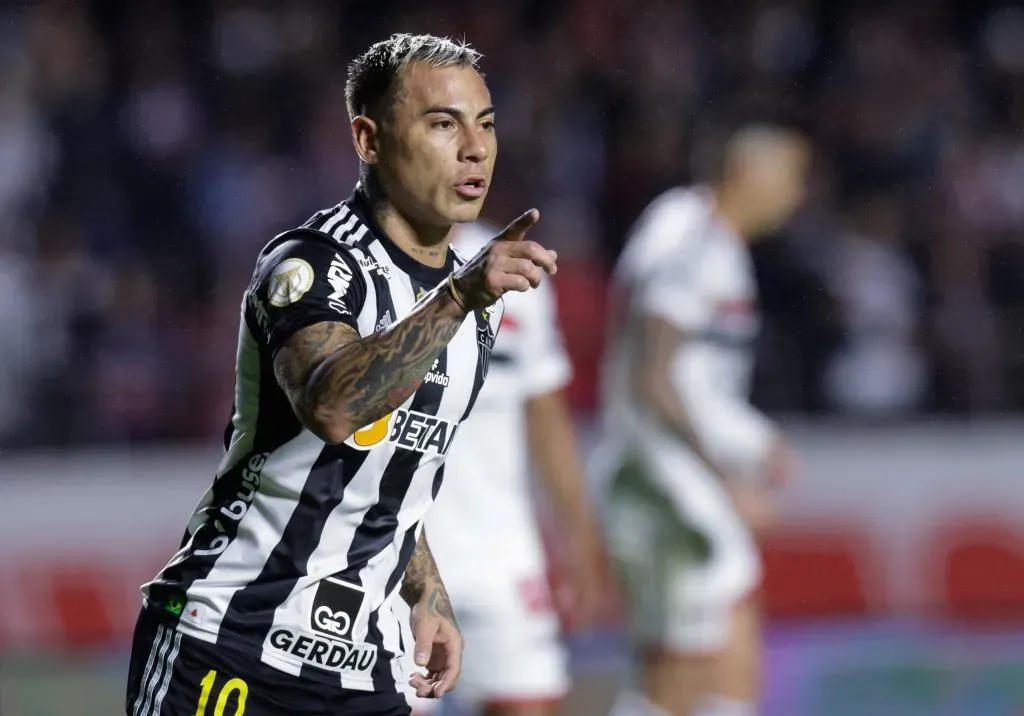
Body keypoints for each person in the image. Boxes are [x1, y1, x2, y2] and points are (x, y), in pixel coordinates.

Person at [125, 33, 559, 716]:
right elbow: (332, 406)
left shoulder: (473, 309)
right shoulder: (313, 266)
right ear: (369, 139)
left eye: (487, 124)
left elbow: (388, 476)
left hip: (363, 675)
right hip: (228, 648)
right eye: (443, 123)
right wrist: (457, 299)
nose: (475, 148)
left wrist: (428, 596)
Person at [595, 116, 811, 716]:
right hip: (664, 483)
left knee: (705, 674)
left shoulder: (699, 235)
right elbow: (654, 375)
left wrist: (754, 438)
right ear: (748, 172)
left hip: (664, 477)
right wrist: (728, 478)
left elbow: (690, 378)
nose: (798, 194)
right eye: (792, 176)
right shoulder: (695, 240)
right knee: (685, 679)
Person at [397, 221, 605, 716]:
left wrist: (579, 540)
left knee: (529, 702)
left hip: (502, 556)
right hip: (395, 558)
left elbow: (547, 417)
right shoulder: (356, 265)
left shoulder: (517, 269)